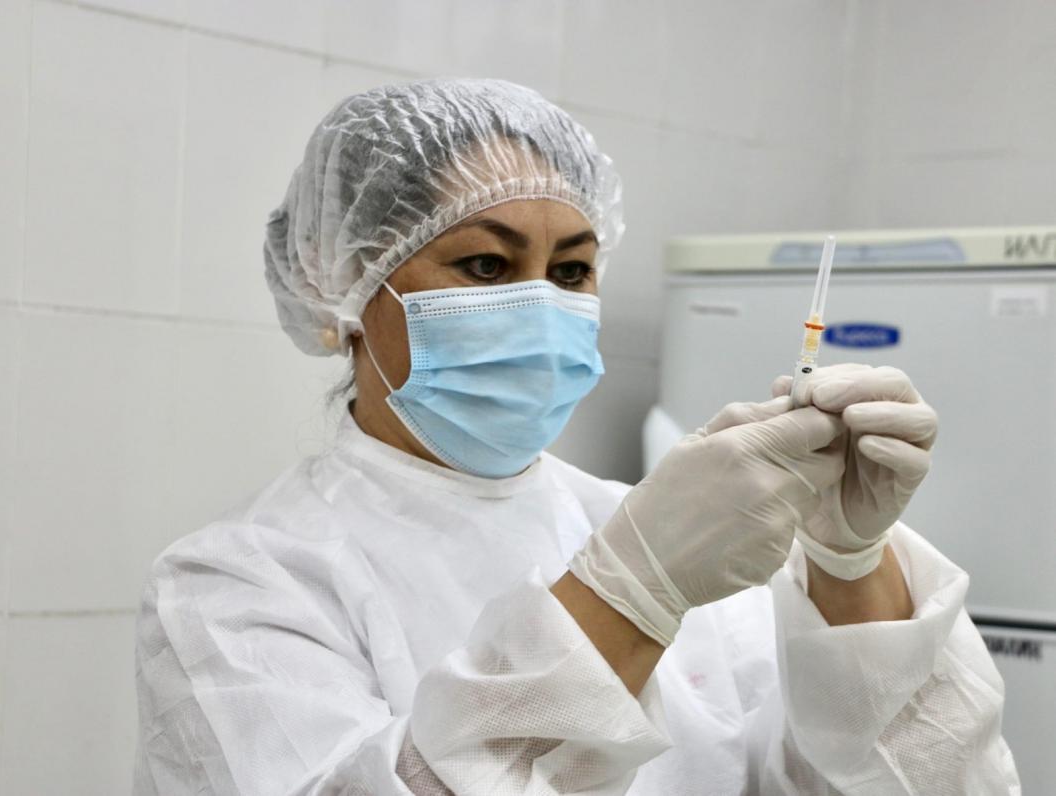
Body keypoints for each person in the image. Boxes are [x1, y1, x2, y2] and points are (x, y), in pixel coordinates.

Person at [133, 78, 1020, 795]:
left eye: (571, 271)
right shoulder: (243, 583)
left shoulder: (666, 531)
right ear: (344, 291)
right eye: (486, 264)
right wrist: (633, 593)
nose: (540, 306)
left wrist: (851, 567)